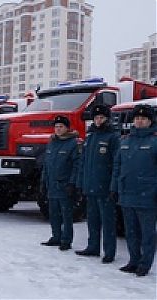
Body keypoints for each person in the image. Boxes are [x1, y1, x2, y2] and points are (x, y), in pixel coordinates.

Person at [111, 104, 156, 276]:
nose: (139, 121)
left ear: (150, 121)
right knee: (131, 232)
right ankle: (133, 260)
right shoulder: (125, 141)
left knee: (147, 234)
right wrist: (114, 188)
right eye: (137, 118)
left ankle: (145, 264)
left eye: (143, 118)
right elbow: (117, 166)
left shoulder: (155, 141)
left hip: (148, 195)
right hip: (127, 194)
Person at [75, 104, 119, 263]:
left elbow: (116, 164)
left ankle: (109, 252)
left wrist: (113, 186)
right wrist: (80, 183)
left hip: (105, 187)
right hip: (90, 186)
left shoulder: (113, 137)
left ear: (107, 118)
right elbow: (83, 162)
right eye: (96, 117)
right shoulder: (90, 137)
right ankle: (93, 247)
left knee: (108, 222)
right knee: (92, 220)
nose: (98, 120)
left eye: (102, 117)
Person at [40, 115, 79, 251]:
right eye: (56, 127)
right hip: (52, 185)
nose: (58, 129)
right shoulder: (52, 142)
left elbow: (76, 165)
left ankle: (66, 239)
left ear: (67, 128)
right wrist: (43, 182)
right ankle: (56, 236)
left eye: (61, 127)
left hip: (64, 185)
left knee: (66, 215)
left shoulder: (73, 143)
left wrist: (72, 183)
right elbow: (47, 164)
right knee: (53, 213)